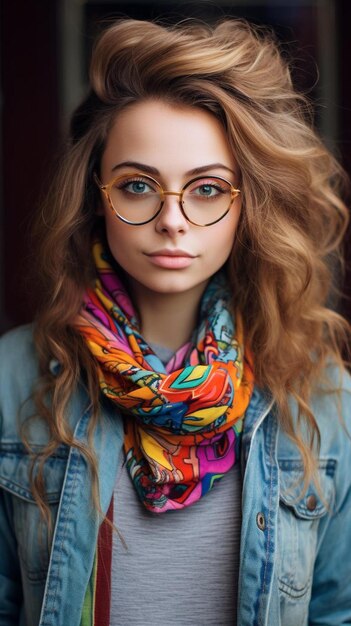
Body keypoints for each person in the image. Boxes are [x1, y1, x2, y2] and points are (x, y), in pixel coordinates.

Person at [0, 16, 350, 626]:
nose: (173, 219)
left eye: (208, 189)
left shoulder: (327, 405)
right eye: (138, 185)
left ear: (250, 205)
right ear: (95, 195)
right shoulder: (10, 380)